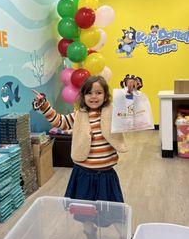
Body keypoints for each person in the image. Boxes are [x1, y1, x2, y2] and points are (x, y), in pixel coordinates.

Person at [32, 75, 140, 203]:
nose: (93, 96)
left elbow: (128, 108)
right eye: (89, 93)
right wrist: (44, 107)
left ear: (105, 96)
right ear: (83, 96)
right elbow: (60, 122)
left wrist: (130, 89)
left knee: (106, 211)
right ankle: (87, 224)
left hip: (106, 175)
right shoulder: (79, 115)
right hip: (83, 173)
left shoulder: (113, 111)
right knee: (84, 210)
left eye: (98, 93)